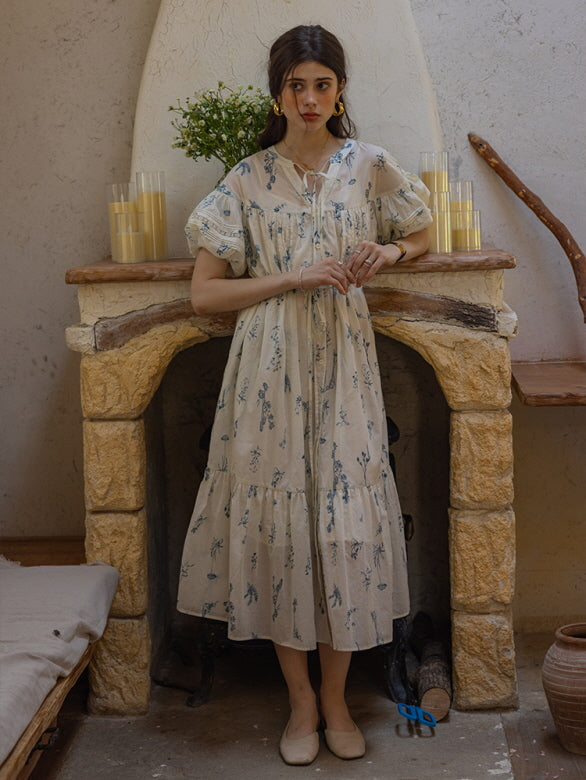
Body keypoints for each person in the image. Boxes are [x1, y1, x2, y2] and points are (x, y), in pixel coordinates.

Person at [177, 24, 432, 765]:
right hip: (269, 370)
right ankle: (299, 703)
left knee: (342, 529)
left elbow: (423, 234)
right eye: (297, 86)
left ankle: (336, 698)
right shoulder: (247, 178)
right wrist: (292, 275)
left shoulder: (369, 165)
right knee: (283, 532)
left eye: (323, 84)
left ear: (340, 90)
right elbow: (203, 294)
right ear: (278, 94)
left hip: (346, 366)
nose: (310, 99)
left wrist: (389, 250)